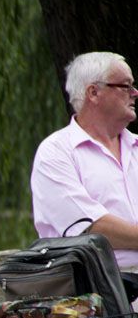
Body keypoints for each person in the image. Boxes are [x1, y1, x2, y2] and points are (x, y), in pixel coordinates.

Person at [31, 51, 138, 265]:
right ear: (94, 93)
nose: (135, 92)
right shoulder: (56, 152)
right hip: (97, 283)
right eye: (126, 86)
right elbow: (90, 228)